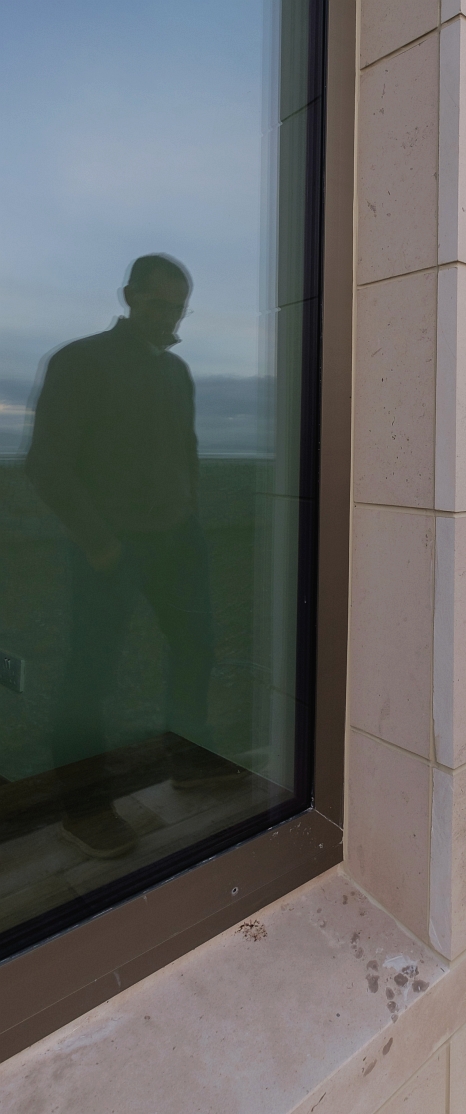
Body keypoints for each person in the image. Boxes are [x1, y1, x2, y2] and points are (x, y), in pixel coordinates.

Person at [26, 254, 244, 860]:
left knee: (195, 647)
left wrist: (189, 514)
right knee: (90, 678)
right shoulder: (81, 361)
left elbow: (185, 452)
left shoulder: (176, 372)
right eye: (157, 303)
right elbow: (47, 464)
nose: (168, 316)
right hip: (112, 549)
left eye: (177, 307)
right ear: (129, 296)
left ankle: (191, 762)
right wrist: (101, 546)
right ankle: (85, 812)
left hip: (177, 541)